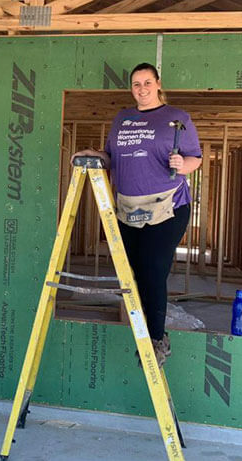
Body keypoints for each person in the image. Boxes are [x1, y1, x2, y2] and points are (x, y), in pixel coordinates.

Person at [73, 62, 202, 366]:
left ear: (158, 84)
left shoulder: (176, 118)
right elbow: (110, 157)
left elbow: (194, 157)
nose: (142, 89)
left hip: (168, 206)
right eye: (136, 84)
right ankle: (145, 330)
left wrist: (184, 165)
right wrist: (94, 155)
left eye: (147, 83)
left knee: (154, 269)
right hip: (128, 208)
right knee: (133, 273)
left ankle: (157, 340)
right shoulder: (122, 118)